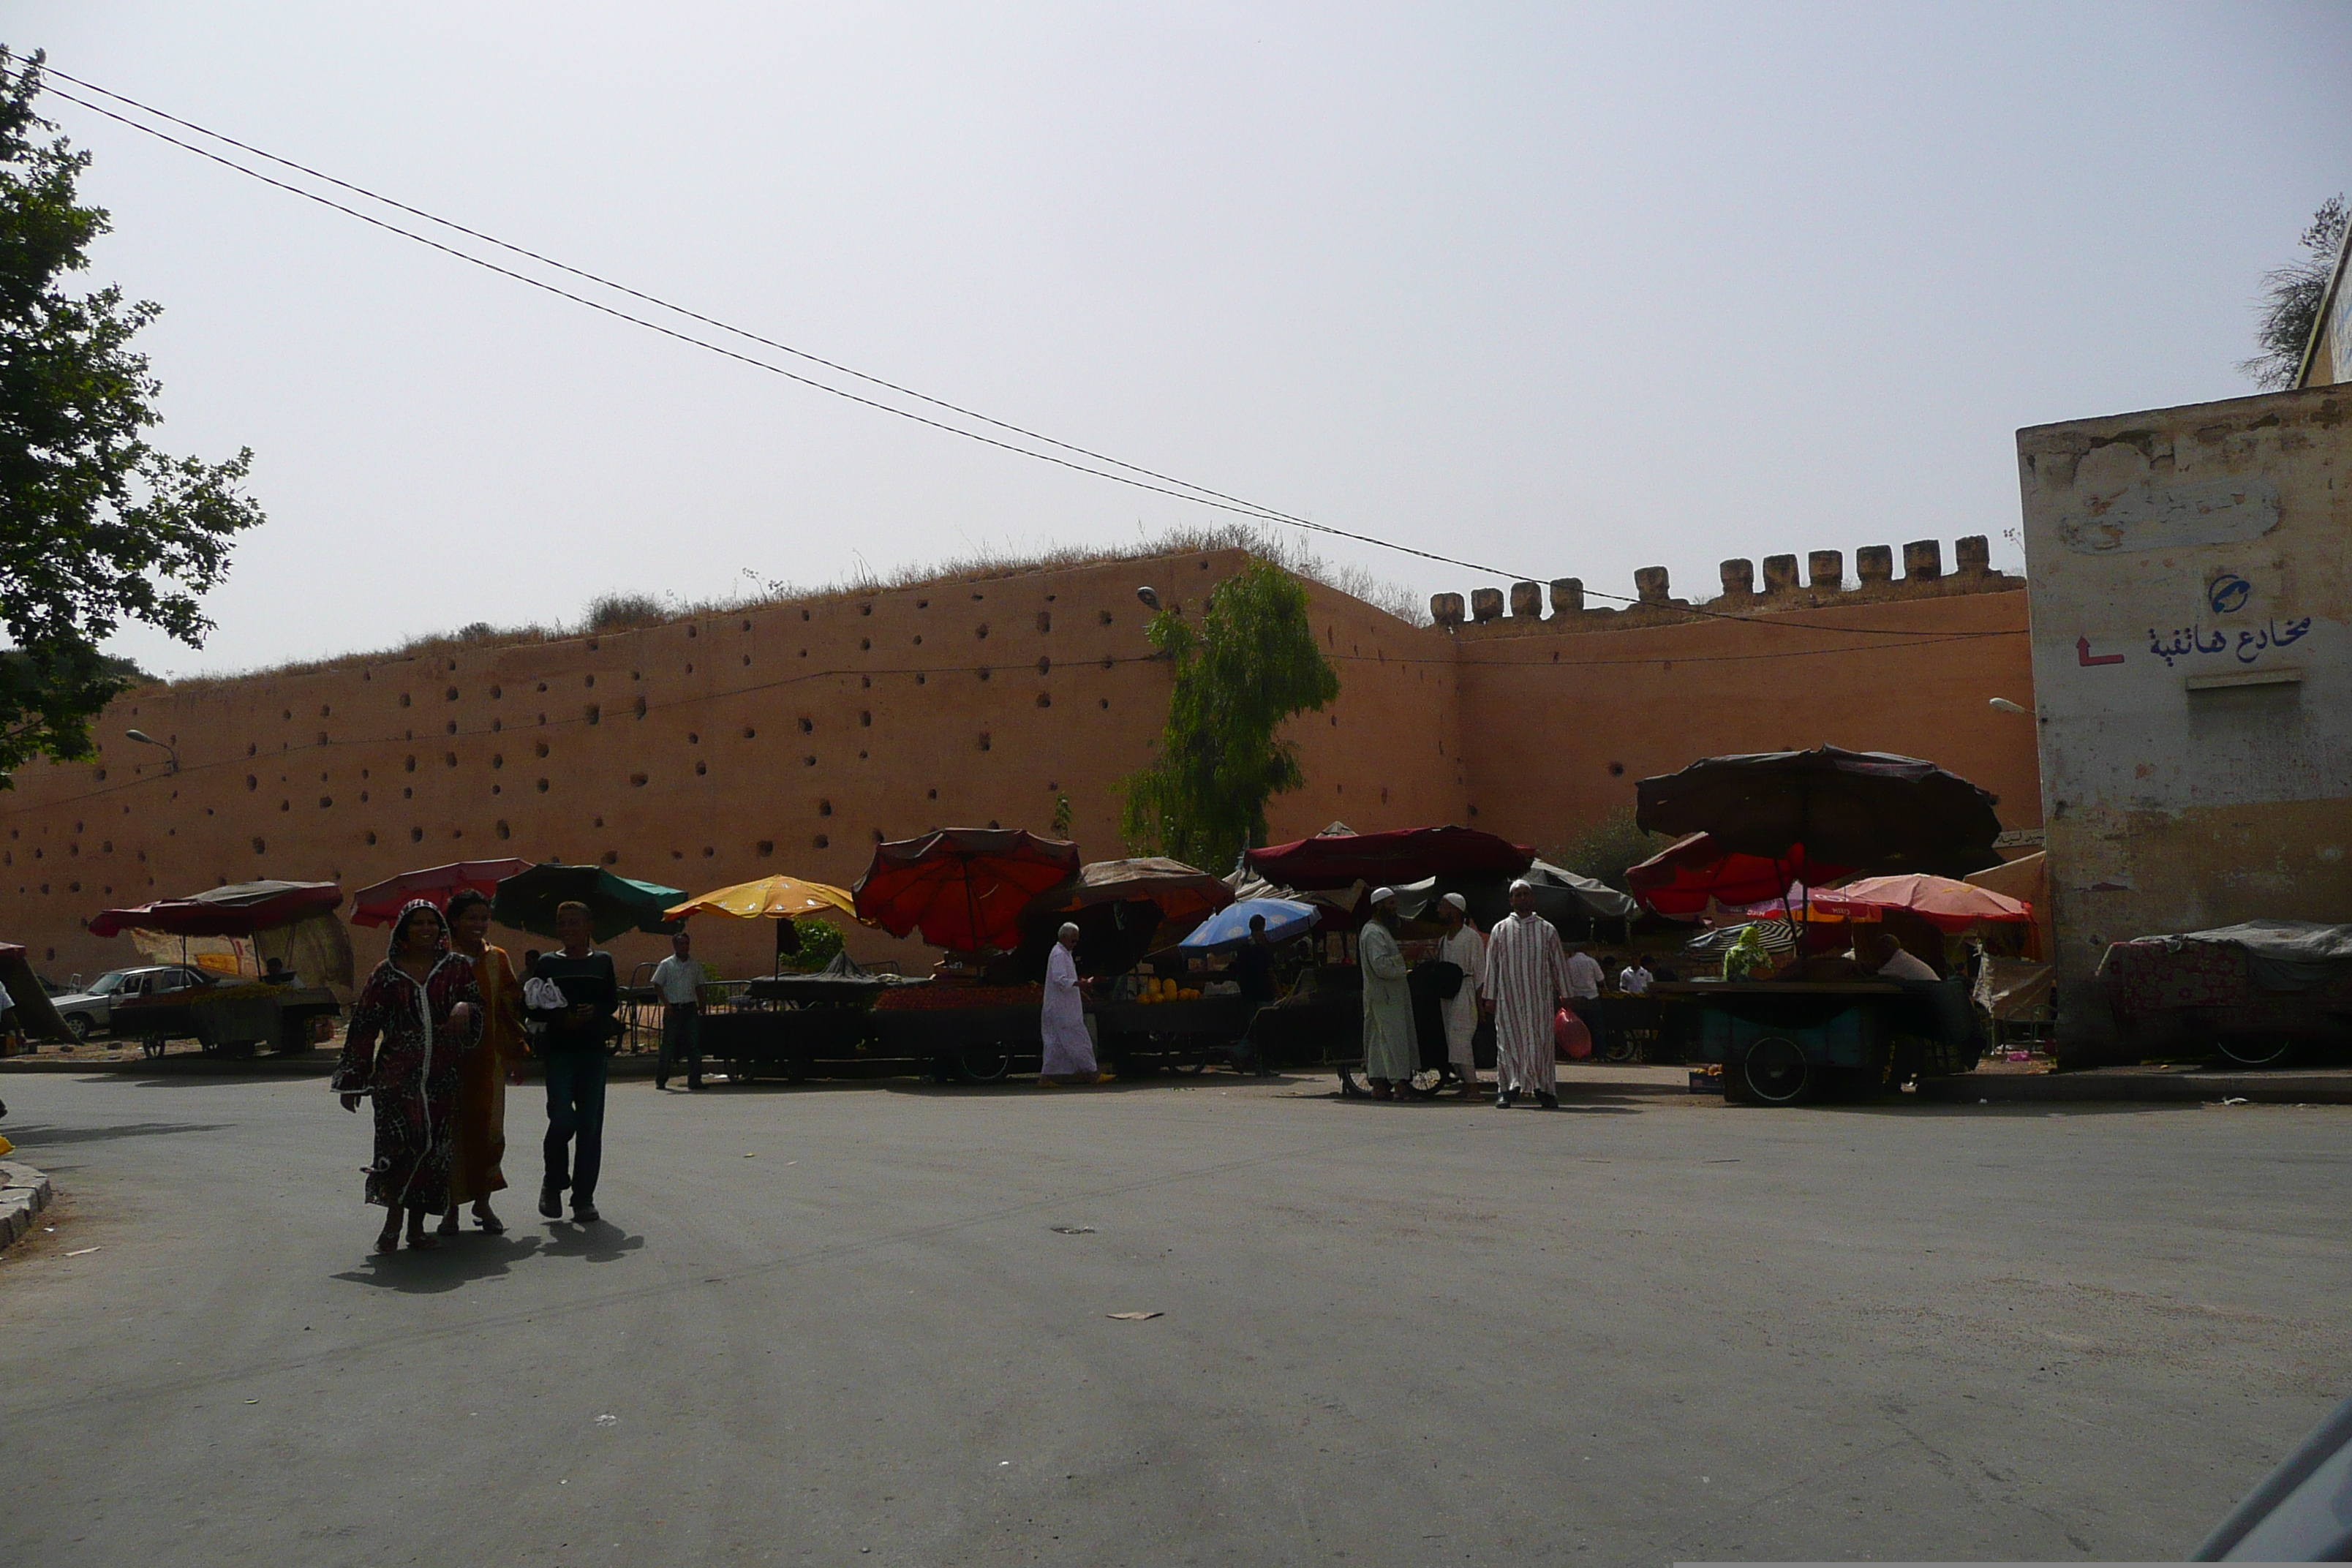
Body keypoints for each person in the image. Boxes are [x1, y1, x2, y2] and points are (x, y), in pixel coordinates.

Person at [332, 900, 483, 1254]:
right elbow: (364, 1027)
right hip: (395, 1078)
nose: (426, 929)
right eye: (418, 923)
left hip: (442, 1077)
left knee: (433, 1150)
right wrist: (354, 1079)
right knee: (399, 1148)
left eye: (433, 923)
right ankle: (391, 1225)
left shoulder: (457, 968)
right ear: (403, 930)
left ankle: (416, 1228)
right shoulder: (385, 974)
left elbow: (479, 1008)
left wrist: (465, 1008)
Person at [527, 900, 619, 1224]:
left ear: (589, 926)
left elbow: (611, 1001)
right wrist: (560, 1017)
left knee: (590, 1127)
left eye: (574, 923)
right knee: (563, 1118)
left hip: (593, 1051)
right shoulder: (547, 964)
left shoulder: (603, 962)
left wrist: (594, 1011)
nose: (567, 929)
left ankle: (583, 1199)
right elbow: (534, 1005)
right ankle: (553, 1180)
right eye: (561, 923)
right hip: (560, 1051)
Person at [440, 889, 521, 1236]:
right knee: (449, 1134)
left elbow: (509, 1007)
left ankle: (483, 1203)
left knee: (490, 1132)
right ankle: (449, 1210)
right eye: (471, 918)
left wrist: (517, 1050)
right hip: (446, 1064)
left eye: (484, 918)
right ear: (455, 921)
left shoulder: (497, 959)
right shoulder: (438, 958)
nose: (479, 924)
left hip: (489, 1062)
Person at [1480, 880, 1571, 1109]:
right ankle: (1508, 1089)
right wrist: (1490, 997)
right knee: (1509, 1045)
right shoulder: (1500, 930)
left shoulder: (1547, 930)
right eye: (1518, 895)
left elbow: (1558, 964)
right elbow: (1492, 966)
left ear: (1532, 899)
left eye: (1526, 894)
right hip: (1509, 1001)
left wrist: (1566, 993)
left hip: (1538, 1001)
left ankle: (1545, 1090)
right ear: (1511, 900)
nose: (1522, 898)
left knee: (1542, 1045)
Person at [1358, 887, 1415, 1100]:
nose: (1395, 908)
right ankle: (1399, 1086)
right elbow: (1380, 966)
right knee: (1392, 1042)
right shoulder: (1373, 932)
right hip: (1385, 998)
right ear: (1379, 906)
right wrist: (1403, 959)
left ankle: (1380, 1086)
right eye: (1390, 904)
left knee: (1379, 1043)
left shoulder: (1380, 930)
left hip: (1384, 997)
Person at [1038, 922, 1110, 1085]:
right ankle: (1092, 1074)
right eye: (1073, 941)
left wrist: (1080, 990)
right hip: (1062, 1010)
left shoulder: (1065, 954)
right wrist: (1080, 984)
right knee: (1079, 1039)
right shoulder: (1058, 955)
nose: (1075, 944)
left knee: (1055, 1043)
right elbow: (1060, 980)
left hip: (1063, 1007)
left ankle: (1046, 1077)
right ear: (1064, 938)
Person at [1433, 892, 1485, 1097]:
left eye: (1443, 906)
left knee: (1461, 1039)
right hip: (1448, 994)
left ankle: (1473, 1086)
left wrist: (1481, 1004)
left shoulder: (1471, 937)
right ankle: (1465, 1084)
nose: (1439, 910)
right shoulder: (1444, 940)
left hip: (1465, 992)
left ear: (1455, 910)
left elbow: (1480, 973)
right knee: (1452, 1040)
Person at [650, 929, 706, 1091]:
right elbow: (657, 985)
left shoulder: (694, 965)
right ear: (674, 946)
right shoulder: (666, 964)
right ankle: (661, 1080)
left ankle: (695, 1080)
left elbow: (699, 986)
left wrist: (702, 1005)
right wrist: (666, 1004)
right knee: (668, 1046)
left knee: (694, 1046)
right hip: (673, 1009)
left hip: (689, 1007)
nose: (685, 947)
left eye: (687, 944)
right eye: (681, 944)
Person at [1862, 929, 1940, 982]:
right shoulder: (1903, 957)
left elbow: (1876, 980)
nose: (1878, 955)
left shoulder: (1896, 963)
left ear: (1887, 950)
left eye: (1880, 950)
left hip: (1930, 998)